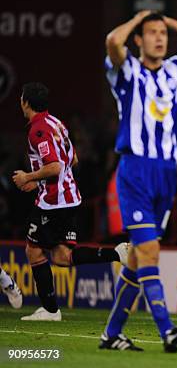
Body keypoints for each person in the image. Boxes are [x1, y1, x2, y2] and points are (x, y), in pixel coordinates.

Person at [101, 10, 177, 352]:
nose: (159, 38)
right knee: (150, 251)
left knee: (140, 258)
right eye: (151, 32)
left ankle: (111, 334)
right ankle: (166, 329)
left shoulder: (175, 69)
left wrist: (170, 22)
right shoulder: (127, 70)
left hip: (167, 173)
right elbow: (113, 41)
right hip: (135, 170)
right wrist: (138, 17)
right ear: (138, 39)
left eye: (162, 33)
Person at [12, 82, 129, 321]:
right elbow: (72, 159)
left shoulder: (37, 130)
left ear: (26, 102)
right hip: (69, 197)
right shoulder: (56, 123)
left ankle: (50, 310)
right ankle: (117, 254)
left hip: (53, 202)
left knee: (33, 251)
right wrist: (41, 182)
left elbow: (55, 166)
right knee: (61, 256)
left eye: (21, 98)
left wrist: (29, 177)